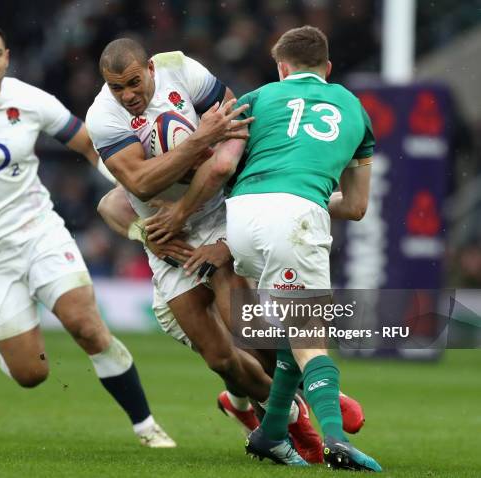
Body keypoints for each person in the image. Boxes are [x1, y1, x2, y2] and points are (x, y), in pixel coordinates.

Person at [0, 21, 175, 448]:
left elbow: (87, 145)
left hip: (40, 232)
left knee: (88, 327)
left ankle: (146, 427)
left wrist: (125, 185)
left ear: (6, 57)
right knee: (32, 374)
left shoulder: (30, 100)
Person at [144, 26, 382, 471]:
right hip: (296, 218)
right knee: (313, 339)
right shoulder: (354, 109)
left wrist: (188, 211)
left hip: (240, 218)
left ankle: (271, 431)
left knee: (290, 335)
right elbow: (355, 206)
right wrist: (308, 189)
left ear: (281, 67)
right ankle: (334, 439)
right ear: (327, 69)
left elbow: (225, 164)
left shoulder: (256, 98)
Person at [85, 38, 278, 410]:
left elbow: (234, 119)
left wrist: (191, 201)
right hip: (170, 237)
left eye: (133, 82)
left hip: (217, 211)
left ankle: (303, 407)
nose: (127, 95)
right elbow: (139, 184)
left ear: (151, 69)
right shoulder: (102, 116)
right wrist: (201, 141)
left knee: (246, 327)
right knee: (221, 359)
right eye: (116, 87)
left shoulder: (179, 67)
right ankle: (274, 406)